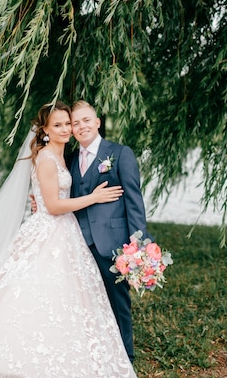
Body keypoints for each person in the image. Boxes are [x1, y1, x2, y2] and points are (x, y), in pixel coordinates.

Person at [0, 102, 138, 378]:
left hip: (68, 232)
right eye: (59, 125)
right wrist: (93, 197)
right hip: (49, 231)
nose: (66, 129)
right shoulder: (47, 158)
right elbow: (52, 205)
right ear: (45, 130)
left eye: (68, 124)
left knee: (73, 295)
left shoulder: (68, 157)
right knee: (34, 292)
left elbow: (53, 197)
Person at [67, 100, 150, 363]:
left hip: (111, 241)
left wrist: (137, 245)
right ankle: (93, 348)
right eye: (76, 122)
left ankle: (125, 354)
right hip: (77, 241)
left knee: (117, 298)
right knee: (85, 298)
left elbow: (134, 202)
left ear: (97, 122)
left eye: (86, 120)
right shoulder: (70, 159)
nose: (82, 126)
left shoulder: (119, 153)